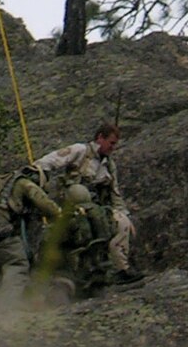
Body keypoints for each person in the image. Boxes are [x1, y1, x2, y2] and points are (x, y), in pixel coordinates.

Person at [36, 121, 138, 282]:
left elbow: (115, 194)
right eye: (111, 143)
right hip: (73, 206)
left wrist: (125, 215)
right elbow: (51, 160)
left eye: (115, 144)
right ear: (100, 138)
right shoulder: (80, 150)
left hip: (99, 209)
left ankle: (122, 270)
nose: (113, 148)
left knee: (122, 224)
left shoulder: (109, 166)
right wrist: (37, 175)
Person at [0, 160, 58, 296]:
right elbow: (46, 206)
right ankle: (9, 310)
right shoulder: (24, 183)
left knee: (1, 269)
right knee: (17, 265)